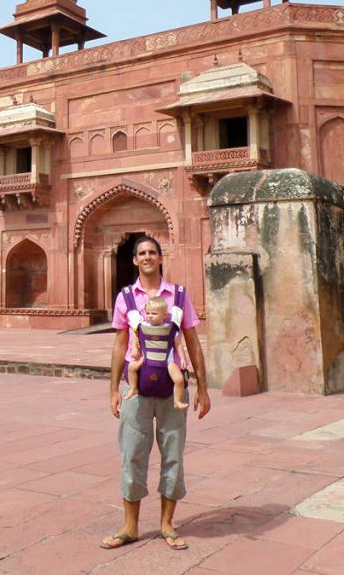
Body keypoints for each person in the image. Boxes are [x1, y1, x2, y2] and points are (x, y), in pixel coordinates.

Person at [102, 235, 210, 553]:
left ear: (161, 258)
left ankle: (167, 524)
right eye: (142, 253)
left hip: (172, 386)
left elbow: (192, 340)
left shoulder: (178, 296)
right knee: (132, 453)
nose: (147, 257)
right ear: (135, 260)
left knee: (173, 455)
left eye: (153, 252)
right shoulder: (125, 297)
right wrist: (113, 389)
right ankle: (130, 526)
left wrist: (203, 387)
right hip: (136, 388)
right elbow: (120, 345)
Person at [122, 295, 189, 411]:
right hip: (146, 359)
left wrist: (183, 358)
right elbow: (135, 339)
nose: (150, 316)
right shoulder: (142, 326)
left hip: (167, 361)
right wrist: (135, 349)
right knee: (131, 368)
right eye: (147, 313)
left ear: (164, 315)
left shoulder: (170, 329)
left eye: (154, 313)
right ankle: (133, 388)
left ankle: (177, 400)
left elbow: (178, 344)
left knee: (179, 379)